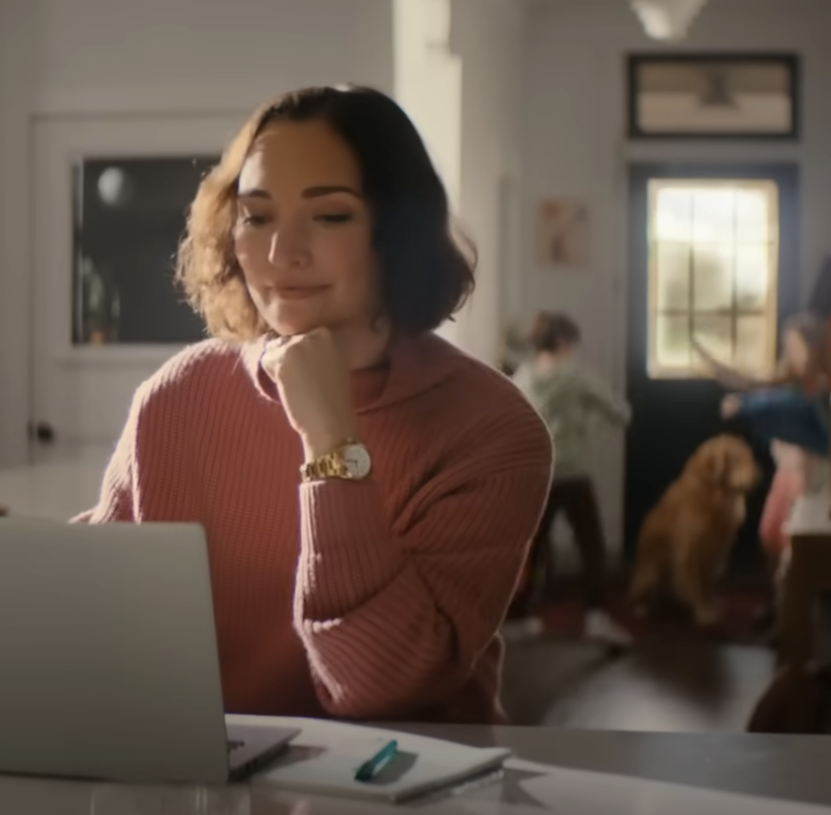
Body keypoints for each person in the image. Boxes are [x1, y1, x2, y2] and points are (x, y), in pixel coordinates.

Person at [73, 85, 553, 725]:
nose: (281, 255)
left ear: (397, 231)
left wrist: (331, 442)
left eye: (329, 216)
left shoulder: (494, 430)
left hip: (407, 786)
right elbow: (100, 621)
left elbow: (378, 689)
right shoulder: (178, 394)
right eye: (257, 215)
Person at [507, 311, 634, 647]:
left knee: (532, 548)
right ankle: (595, 616)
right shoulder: (577, 376)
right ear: (564, 341)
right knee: (591, 546)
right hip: (572, 473)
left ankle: (519, 616)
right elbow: (621, 412)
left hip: (537, 473)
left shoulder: (524, 375)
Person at [697, 313, 831, 566]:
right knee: (769, 535)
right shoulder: (788, 378)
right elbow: (755, 384)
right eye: (789, 346)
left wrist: (744, 404)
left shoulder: (819, 385)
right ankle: (780, 598)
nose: (792, 353)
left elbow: (787, 404)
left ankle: (791, 601)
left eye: (798, 346)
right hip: (787, 473)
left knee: (790, 544)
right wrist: (717, 368)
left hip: (810, 474)